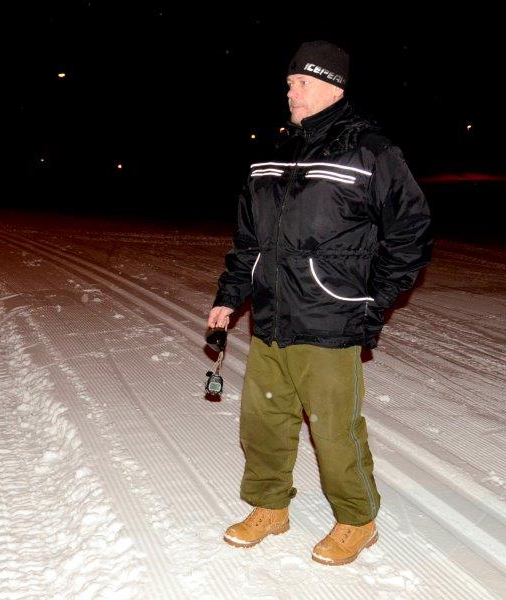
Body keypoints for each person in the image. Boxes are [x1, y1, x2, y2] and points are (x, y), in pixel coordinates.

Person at [207, 40, 432, 565]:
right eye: (289, 83)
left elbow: (411, 234)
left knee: (334, 432)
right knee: (263, 423)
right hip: (271, 318)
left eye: (301, 83)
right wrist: (230, 296)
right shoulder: (271, 154)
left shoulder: (371, 152)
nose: (291, 92)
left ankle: (358, 519)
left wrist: (371, 302)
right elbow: (249, 240)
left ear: (333, 87)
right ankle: (270, 507)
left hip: (331, 319)